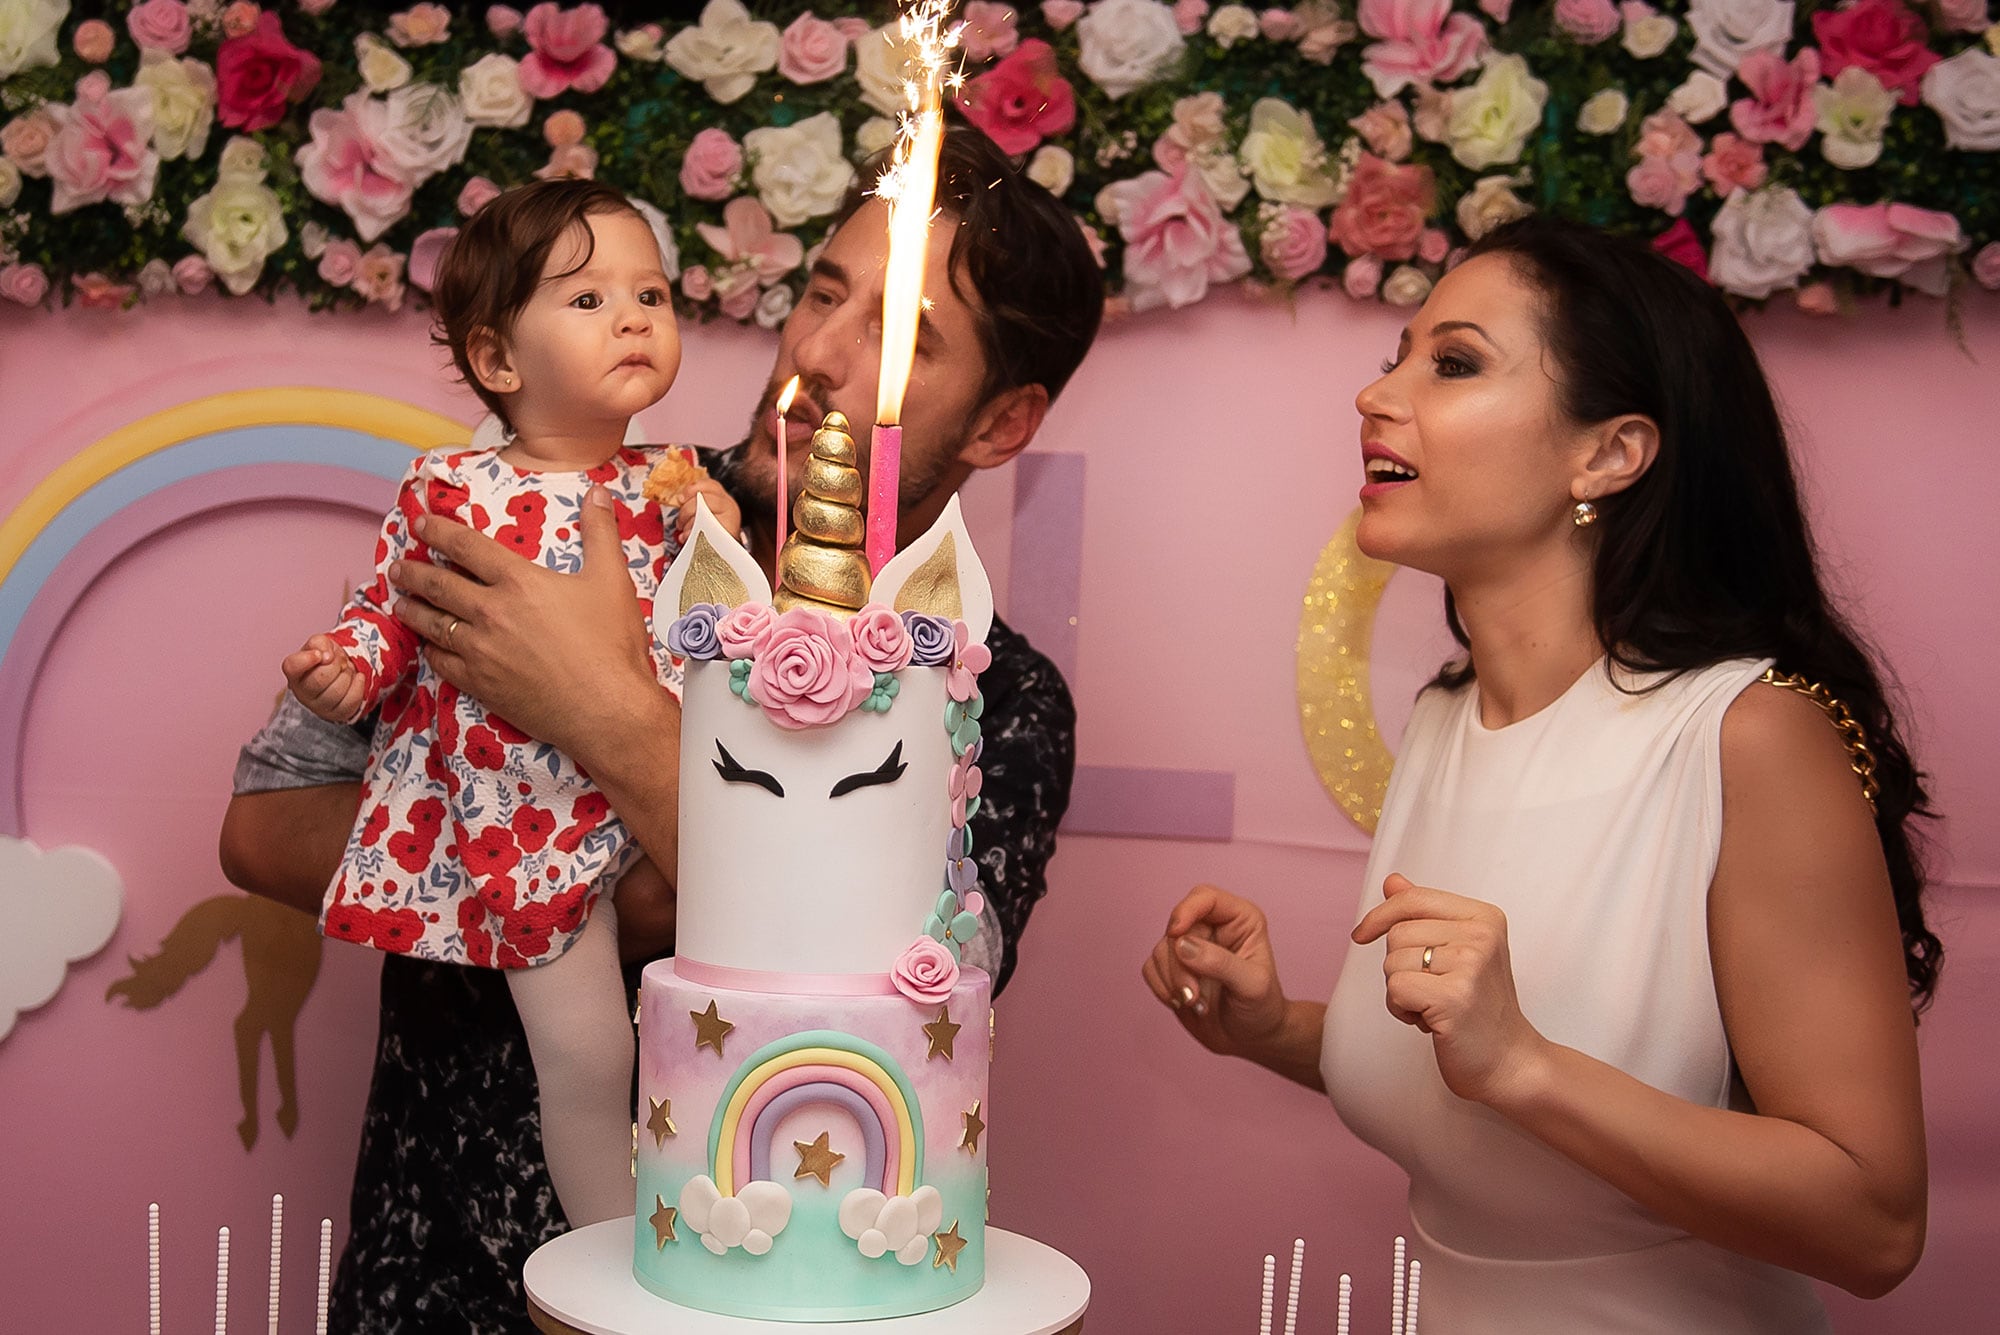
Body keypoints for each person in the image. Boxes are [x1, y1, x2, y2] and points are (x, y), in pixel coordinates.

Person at [219, 123, 1099, 1334]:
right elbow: (266, 827)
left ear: (1001, 423)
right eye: (820, 293)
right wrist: (597, 873)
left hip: (760, 1294)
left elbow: (907, 978)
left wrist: (602, 713)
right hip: (433, 1271)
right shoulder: (556, 490)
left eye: (899, 340)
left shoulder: (996, 696)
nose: (819, 353)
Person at [1143, 217, 1936, 1333]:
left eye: (1453, 363)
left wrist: (1524, 1065)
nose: (1374, 397)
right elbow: (1457, 1084)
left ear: (1607, 454)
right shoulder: (1442, 720)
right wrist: (1269, 1028)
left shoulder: (1746, 735)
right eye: (1396, 357)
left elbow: (1871, 1226)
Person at [281, 176, 741, 1231]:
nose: (632, 316)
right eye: (586, 301)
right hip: (517, 825)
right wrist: (348, 664)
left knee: (722, 1029)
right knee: (590, 1054)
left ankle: (715, 1222)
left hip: (660, 809)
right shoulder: (449, 491)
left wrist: (720, 540)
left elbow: (731, 636)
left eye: (652, 295)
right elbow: (395, 614)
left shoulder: (677, 484)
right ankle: (609, 1251)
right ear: (496, 358)